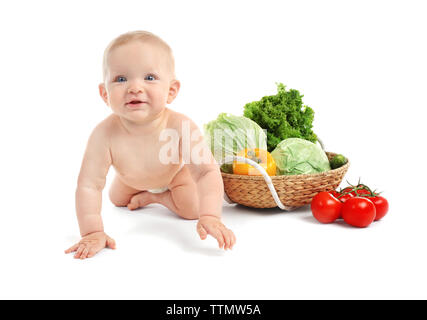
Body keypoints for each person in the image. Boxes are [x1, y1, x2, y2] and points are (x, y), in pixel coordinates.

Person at [65, 31, 236, 259]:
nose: (135, 87)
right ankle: (144, 193)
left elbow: (206, 172)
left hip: (173, 175)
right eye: (121, 79)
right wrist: (92, 232)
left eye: (150, 78)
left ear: (171, 90)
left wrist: (211, 216)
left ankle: (158, 198)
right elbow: (88, 185)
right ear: (105, 94)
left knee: (192, 209)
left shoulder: (180, 126)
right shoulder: (103, 134)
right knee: (116, 200)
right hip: (130, 179)